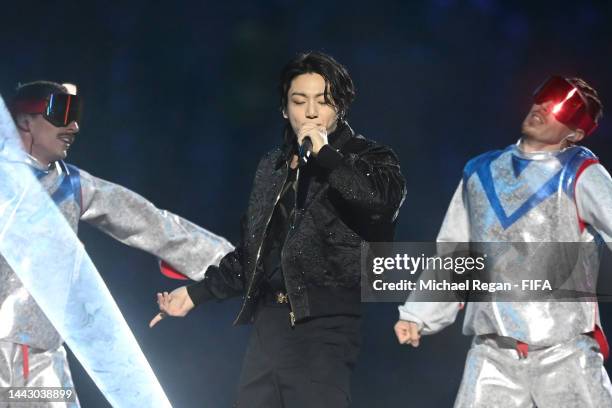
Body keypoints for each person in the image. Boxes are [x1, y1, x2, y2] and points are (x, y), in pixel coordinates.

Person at [151, 51, 406, 407]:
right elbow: (254, 251)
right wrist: (196, 294)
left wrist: (327, 156)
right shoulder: (272, 165)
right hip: (269, 325)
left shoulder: (369, 158)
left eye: (324, 101)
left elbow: (380, 201)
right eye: (300, 101)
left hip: (325, 327)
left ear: (341, 107)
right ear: (285, 108)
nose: (312, 112)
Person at [0, 81, 234, 406]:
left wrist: (232, 262)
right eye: (62, 113)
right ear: (25, 120)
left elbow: (151, 223)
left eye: (76, 114)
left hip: (36, 360)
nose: (74, 126)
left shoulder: (71, 185)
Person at [395, 76, 612, 407]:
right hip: (493, 356)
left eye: (563, 108)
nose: (544, 107)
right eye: (545, 96)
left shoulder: (581, 172)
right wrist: (420, 313)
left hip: (565, 353)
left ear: (575, 133)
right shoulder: (481, 172)